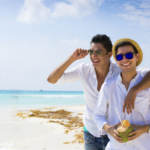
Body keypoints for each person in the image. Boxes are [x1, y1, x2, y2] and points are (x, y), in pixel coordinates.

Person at [47, 35, 150, 150]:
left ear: (110, 55)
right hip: (92, 131)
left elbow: (142, 74)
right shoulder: (84, 70)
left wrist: (134, 90)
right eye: (91, 51)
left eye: (99, 52)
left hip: (116, 134)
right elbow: (52, 79)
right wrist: (72, 58)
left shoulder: (120, 68)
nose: (94, 55)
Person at [94, 38, 150, 150]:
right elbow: (98, 115)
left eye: (129, 55)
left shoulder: (146, 81)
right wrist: (109, 129)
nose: (124, 59)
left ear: (137, 57)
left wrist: (144, 129)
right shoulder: (108, 85)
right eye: (120, 57)